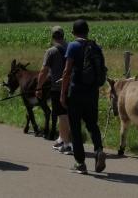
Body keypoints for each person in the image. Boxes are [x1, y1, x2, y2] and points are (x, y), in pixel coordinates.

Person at [60, 19, 107, 174]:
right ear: (87, 31)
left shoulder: (73, 46)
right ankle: (99, 150)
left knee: (75, 128)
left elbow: (67, 72)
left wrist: (62, 94)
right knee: (92, 124)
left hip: (76, 93)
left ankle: (80, 163)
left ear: (73, 33)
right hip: (92, 93)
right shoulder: (95, 47)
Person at [36, 26, 72, 154]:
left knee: (62, 116)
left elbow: (43, 71)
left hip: (58, 88)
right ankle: (62, 139)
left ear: (52, 37)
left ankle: (67, 145)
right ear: (63, 35)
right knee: (67, 114)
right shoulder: (71, 47)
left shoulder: (51, 51)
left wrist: (39, 87)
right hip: (73, 87)